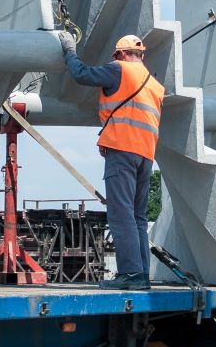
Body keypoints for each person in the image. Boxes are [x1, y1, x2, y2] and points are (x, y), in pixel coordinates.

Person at [56, 30, 165, 289]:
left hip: (122, 151)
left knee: (120, 214)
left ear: (122, 54)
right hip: (145, 155)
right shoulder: (155, 84)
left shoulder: (120, 69)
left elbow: (82, 74)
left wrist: (69, 51)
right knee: (137, 217)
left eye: (117, 56)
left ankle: (129, 274)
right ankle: (140, 276)